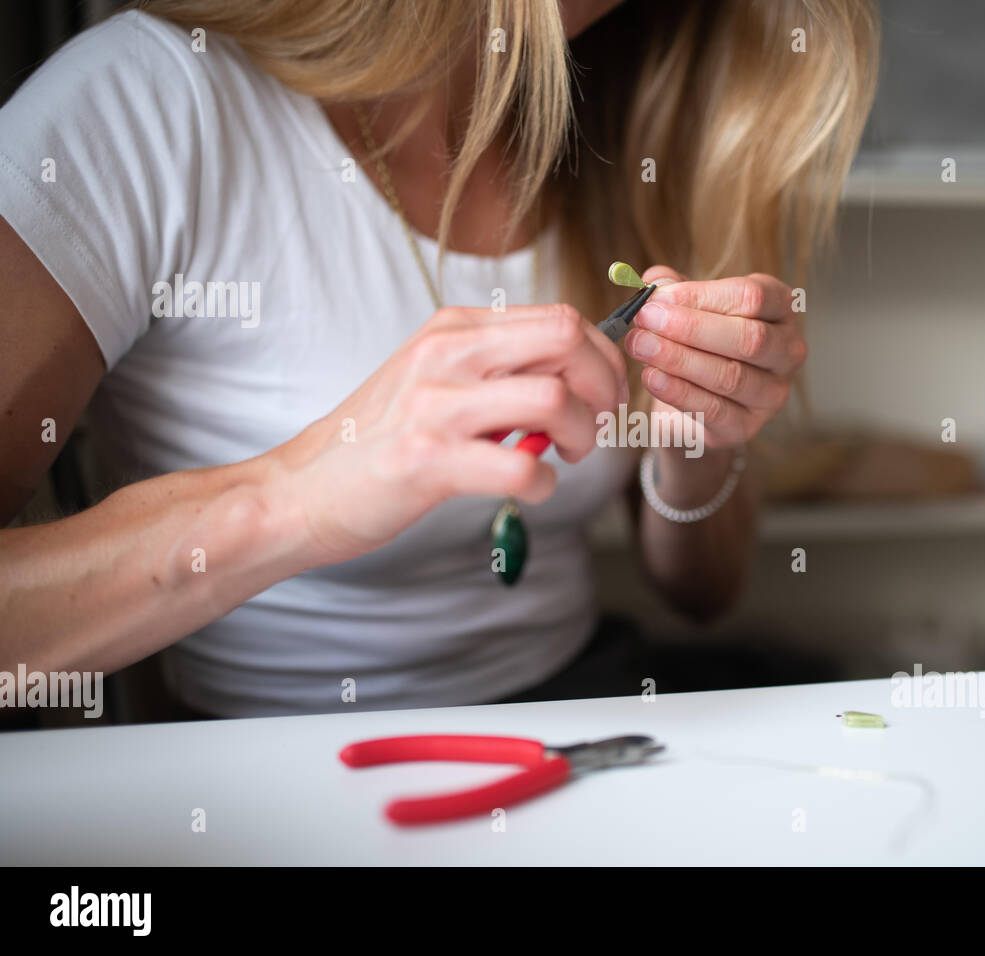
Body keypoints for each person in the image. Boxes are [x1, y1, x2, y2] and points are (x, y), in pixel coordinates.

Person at [0, 0, 877, 717]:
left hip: (585, 716)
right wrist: (287, 498)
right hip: (270, 774)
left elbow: (703, 592)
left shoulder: (628, 123)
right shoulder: (150, 100)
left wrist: (700, 436)